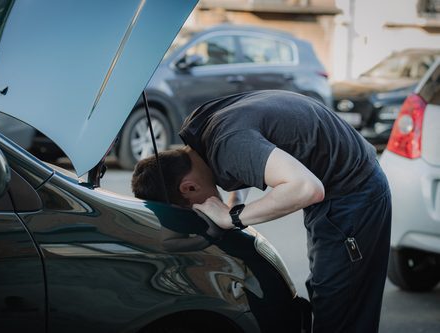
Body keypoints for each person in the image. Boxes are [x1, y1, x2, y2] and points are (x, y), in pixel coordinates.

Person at [131, 90, 391, 333]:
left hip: (353, 192)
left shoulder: (228, 145)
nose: (204, 212)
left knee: (340, 304)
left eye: (196, 210)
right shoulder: (199, 130)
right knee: (326, 290)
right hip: (335, 186)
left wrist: (231, 217)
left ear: (188, 187)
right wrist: (234, 200)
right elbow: (248, 156)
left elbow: (307, 188)